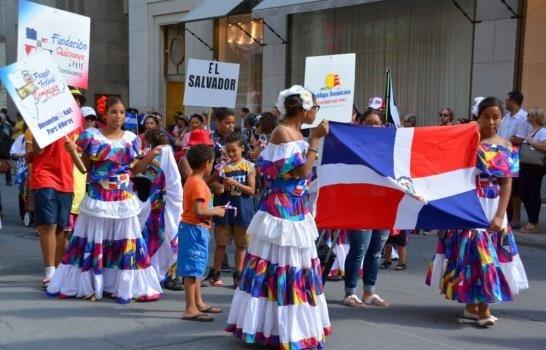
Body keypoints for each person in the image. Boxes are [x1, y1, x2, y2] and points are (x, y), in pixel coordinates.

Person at [226, 85, 331, 348]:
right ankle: (273, 327)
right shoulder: (283, 132)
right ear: (304, 109)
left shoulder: (294, 133)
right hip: (281, 209)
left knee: (295, 264)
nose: (316, 113)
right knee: (279, 263)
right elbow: (298, 173)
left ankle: (283, 326)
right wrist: (315, 141)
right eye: (315, 107)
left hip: (295, 206)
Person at [46, 97, 163, 303]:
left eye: (122, 112)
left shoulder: (131, 138)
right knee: (95, 239)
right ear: (104, 114)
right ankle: (92, 283)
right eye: (114, 112)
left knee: (126, 240)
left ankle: (119, 284)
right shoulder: (91, 136)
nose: (119, 116)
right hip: (99, 196)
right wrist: (72, 152)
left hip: (123, 197)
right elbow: (83, 168)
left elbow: (135, 169)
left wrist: (151, 155)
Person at [426, 97, 527, 327]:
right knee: (479, 257)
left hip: (493, 206)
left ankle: (474, 304)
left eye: (496, 117)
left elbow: (506, 183)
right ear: (478, 117)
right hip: (470, 206)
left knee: (488, 256)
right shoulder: (466, 142)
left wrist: (501, 214)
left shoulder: (507, 146)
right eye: (486, 116)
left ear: (501, 118)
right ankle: (483, 309)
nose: (491, 121)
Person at [343, 109, 391, 307]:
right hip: (360, 205)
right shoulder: (353, 147)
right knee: (359, 249)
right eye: (368, 123)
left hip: (383, 205)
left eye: (376, 123)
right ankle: (350, 293)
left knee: (376, 251)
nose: (372, 127)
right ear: (360, 124)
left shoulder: (388, 147)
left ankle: (369, 292)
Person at [179, 144, 226, 322]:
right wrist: (217, 211)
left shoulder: (194, 180)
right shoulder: (198, 184)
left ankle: (198, 302)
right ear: (207, 163)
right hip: (194, 229)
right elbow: (199, 210)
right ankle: (190, 308)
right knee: (192, 269)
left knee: (197, 267)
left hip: (195, 229)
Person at [207, 132, 256, 287]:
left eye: (234, 150)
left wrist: (235, 184)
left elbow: (251, 190)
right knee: (221, 244)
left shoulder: (249, 167)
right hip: (224, 210)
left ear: (242, 148)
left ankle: (238, 274)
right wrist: (216, 187)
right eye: (228, 151)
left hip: (243, 210)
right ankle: (215, 273)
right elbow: (207, 182)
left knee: (241, 245)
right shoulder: (221, 166)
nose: (231, 154)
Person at [139, 129, 183, 288]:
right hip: (163, 203)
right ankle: (168, 273)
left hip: (155, 205)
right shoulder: (168, 155)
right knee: (165, 238)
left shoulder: (157, 157)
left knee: (154, 238)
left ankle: (153, 271)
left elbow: (150, 179)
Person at [498, 91, 529, 229]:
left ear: (514, 101)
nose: (505, 103)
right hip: (501, 154)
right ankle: (506, 215)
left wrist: (501, 142)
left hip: (514, 156)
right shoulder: (506, 118)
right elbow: (499, 133)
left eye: (507, 100)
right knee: (502, 186)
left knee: (515, 190)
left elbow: (518, 139)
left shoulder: (523, 118)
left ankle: (516, 218)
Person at [519, 108, 546, 233]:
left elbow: (544, 147)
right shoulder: (531, 130)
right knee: (524, 192)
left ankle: (533, 221)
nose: (527, 116)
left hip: (535, 167)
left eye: (529, 114)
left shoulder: (543, 132)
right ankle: (531, 219)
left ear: (535, 117)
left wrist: (530, 141)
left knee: (533, 193)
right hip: (525, 164)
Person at [0, 113, 13, 186]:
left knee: (7, 163)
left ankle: (8, 180)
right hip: (3, 146)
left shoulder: (5, 126)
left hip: (5, 147)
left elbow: (6, 136)